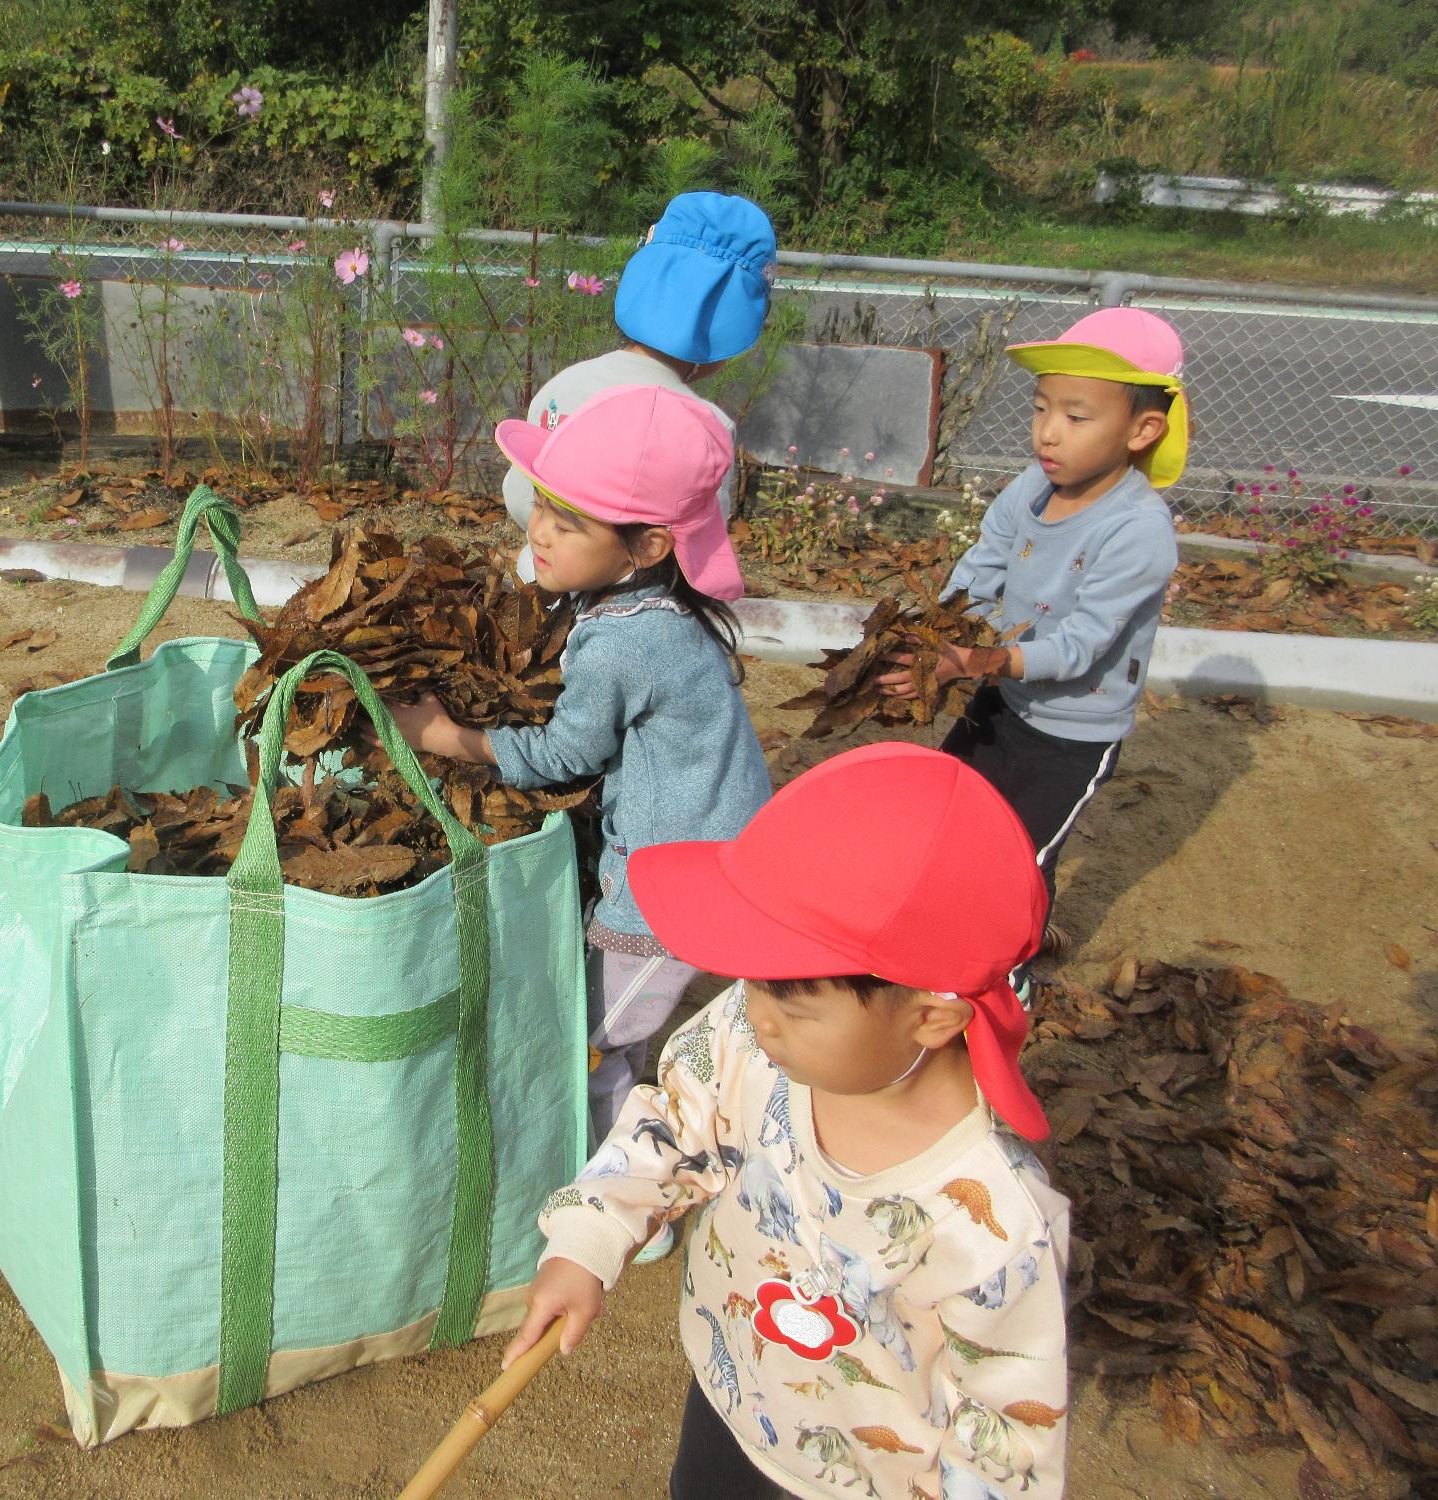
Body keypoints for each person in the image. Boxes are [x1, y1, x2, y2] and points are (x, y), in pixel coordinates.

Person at [504, 743, 1070, 1500]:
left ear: (933, 1017)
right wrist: (587, 1240)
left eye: (791, 1003)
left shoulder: (995, 1226)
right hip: (731, 1394)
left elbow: (1003, 1438)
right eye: (752, 982)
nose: (753, 1013)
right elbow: (675, 1123)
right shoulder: (752, 1034)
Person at [390, 383, 772, 1263]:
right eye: (544, 508)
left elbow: (565, 755)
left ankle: (620, 1202)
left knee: (601, 1042)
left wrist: (447, 734)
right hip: (709, 846)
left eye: (570, 522)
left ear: (646, 546)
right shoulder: (654, 613)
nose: (541, 532)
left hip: (672, 890)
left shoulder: (624, 641)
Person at [881, 307, 1186, 984]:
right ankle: (943, 940)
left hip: (1072, 732)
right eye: (1042, 408)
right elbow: (981, 569)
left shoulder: (1138, 531)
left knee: (1019, 861)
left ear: (1142, 430)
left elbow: (1079, 646)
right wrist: (942, 642)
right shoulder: (1032, 487)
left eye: (1077, 417)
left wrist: (978, 660)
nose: (1048, 432)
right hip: (1001, 699)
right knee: (958, 826)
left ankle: (1004, 982)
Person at [500, 191, 778, 581]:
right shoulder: (703, 429)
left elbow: (519, 496)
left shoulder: (565, 385)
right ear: (724, 334)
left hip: (538, 580)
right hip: (632, 606)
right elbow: (698, 547)